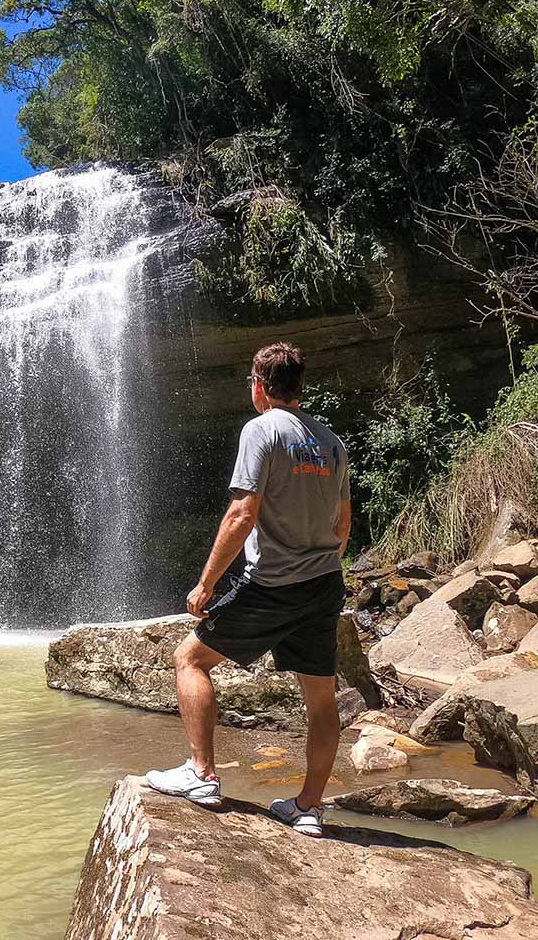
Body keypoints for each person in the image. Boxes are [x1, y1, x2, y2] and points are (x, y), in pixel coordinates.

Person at [145, 342, 351, 838]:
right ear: (298, 386)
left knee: (189, 659)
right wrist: (320, 564)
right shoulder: (331, 442)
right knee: (321, 700)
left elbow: (241, 513)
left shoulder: (260, 430)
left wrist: (206, 584)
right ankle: (307, 807)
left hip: (272, 585)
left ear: (259, 385)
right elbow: (343, 524)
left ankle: (201, 773)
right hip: (323, 584)